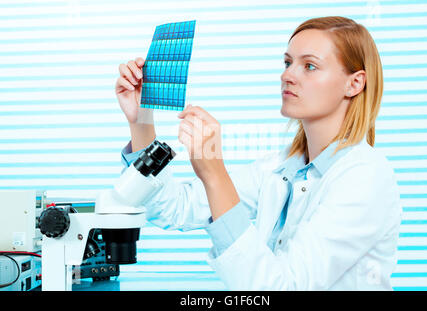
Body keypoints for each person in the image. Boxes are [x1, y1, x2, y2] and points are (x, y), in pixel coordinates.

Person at [115, 16, 402, 290]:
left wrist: (215, 175)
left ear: (355, 83)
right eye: (287, 62)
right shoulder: (280, 168)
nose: (287, 75)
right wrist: (141, 120)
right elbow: (172, 209)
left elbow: (280, 288)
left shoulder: (365, 177)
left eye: (309, 66)